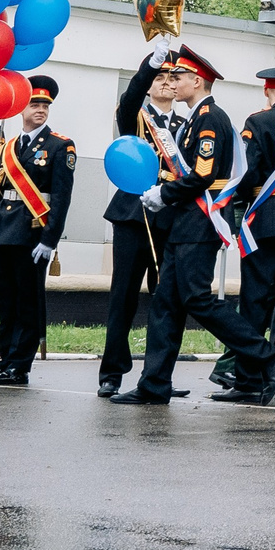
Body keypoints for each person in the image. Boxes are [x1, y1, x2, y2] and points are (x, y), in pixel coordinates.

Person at [113, 45, 275, 406]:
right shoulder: (195, 119)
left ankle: (267, 355)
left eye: (179, 77)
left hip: (200, 222)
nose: (173, 83)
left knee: (197, 299)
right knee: (166, 304)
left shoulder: (210, 117)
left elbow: (203, 174)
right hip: (184, 223)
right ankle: (154, 383)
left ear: (197, 80)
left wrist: (164, 194)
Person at [0, 76, 75, 388]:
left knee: (27, 303)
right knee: (6, 303)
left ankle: (19, 366)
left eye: (45, 105)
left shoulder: (60, 146)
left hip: (32, 234)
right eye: (34, 104)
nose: (40, 110)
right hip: (2, 233)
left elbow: (61, 198)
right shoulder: (7, 147)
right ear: (21, 108)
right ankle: (4, 361)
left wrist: (49, 240)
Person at [99, 53, 182, 397]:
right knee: (123, 297)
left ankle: (158, 375)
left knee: (166, 300)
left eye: (172, 78)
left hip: (171, 217)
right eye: (159, 77)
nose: (165, 83)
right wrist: (150, 65)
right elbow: (130, 96)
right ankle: (112, 373)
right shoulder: (136, 116)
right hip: (133, 216)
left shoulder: (187, 124)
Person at [218, 61, 275, 405]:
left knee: (254, 301)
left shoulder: (258, 122)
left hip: (265, 219)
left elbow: (245, 173)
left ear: (267, 90)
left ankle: (248, 378)